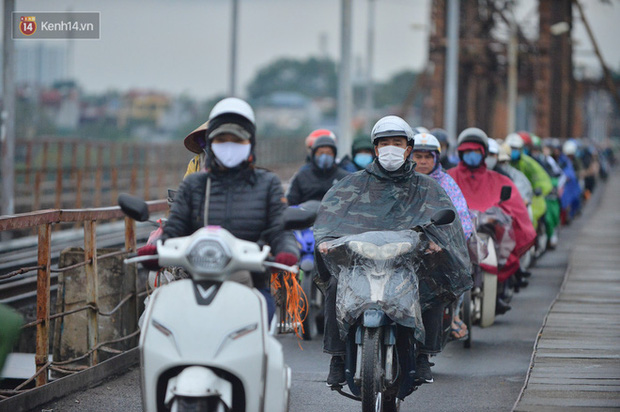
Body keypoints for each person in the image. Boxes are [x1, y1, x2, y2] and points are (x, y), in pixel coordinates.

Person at [314, 115, 472, 386]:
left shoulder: (427, 187)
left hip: (409, 263)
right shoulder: (351, 185)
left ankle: (423, 355)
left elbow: (446, 226)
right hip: (360, 263)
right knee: (335, 286)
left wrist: (436, 244)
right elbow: (330, 218)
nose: (390, 148)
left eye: (396, 143)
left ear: (408, 148)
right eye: (384, 143)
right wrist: (327, 241)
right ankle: (337, 358)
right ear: (375, 148)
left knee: (432, 283)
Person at [152, 97, 300, 321]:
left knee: (261, 339)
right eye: (222, 140)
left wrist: (287, 251)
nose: (229, 146)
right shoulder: (194, 184)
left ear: (250, 143)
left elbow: (279, 230)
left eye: (237, 140)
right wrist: (156, 250)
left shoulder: (266, 183)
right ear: (210, 144)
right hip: (197, 281)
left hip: (251, 284)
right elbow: (175, 227)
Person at [447, 128, 536, 312]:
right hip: (456, 234)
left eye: (476, 151)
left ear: (484, 153)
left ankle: (497, 293)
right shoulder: (449, 177)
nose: (472, 155)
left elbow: (513, 203)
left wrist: (498, 216)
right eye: (468, 151)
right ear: (460, 152)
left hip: (488, 232)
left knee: (503, 248)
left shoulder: (499, 179)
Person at [410, 132, 474, 339]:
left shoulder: (446, 183)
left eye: (428, 157)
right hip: (402, 242)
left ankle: (453, 316)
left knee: (456, 271)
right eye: (417, 156)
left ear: (437, 158)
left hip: (438, 245)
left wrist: (450, 241)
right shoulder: (401, 181)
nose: (422, 161)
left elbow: (461, 216)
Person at [286, 132, 350, 206]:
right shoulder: (302, 176)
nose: (325, 156)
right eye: (321, 153)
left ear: (334, 155)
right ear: (313, 155)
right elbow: (291, 203)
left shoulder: (344, 178)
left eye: (329, 153)